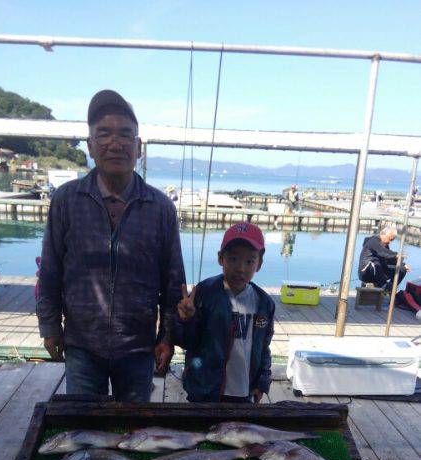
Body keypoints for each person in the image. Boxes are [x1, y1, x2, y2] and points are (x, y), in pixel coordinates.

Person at [37, 90, 185, 401]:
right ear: (90, 146)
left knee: (133, 432)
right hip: (81, 343)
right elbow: (50, 270)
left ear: (138, 147)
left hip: (138, 346)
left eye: (124, 135)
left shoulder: (160, 208)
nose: (114, 144)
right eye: (103, 134)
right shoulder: (66, 200)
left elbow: (173, 283)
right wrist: (49, 325)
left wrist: (167, 336)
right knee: (83, 428)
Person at [176, 222, 274, 403]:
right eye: (233, 259)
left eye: (250, 261)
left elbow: (264, 348)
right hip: (205, 391)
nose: (241, 268)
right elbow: (187, 342)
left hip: (245, 392)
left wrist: (262, 382)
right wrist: (186, 320)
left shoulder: (264, 304)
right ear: (221, 258)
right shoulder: (204, 293)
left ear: (259, 264)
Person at [358, 225, 411, 293]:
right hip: (367, 272)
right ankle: (384, 286)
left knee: (402, 269)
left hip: (380, 271)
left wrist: (403, 265)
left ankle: (390, 288)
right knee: (375, 263)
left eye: (392, 240)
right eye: (390, 239)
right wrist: (396, 254)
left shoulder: (385, 245)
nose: (390, 242)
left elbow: (389, 259)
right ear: (383, 234)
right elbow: (382, 252)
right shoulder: (373, 240)